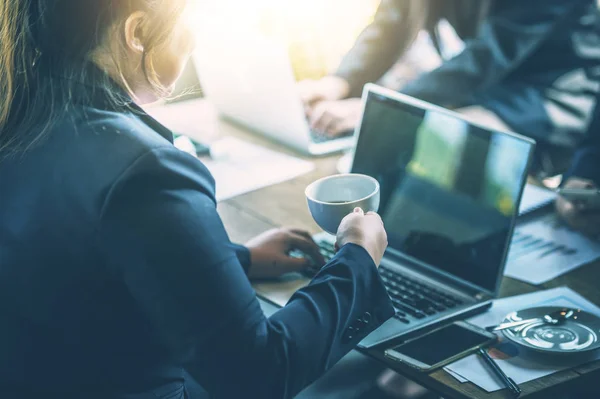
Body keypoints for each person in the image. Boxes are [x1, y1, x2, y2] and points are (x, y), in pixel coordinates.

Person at [0, 1, 394, 398]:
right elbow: (262, 373)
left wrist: (236, 259)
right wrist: (358, 259)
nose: (194, 37)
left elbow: (77, 262)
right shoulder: (146, 172)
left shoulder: (19, 114)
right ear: (135, 33)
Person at [299, 0, 600, 236]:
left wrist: (386, 104)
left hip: (555, 97)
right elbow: (393, 19)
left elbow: (489, 55)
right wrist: (341, 82)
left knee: (450, 135)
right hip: (492, 82)